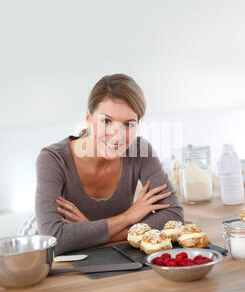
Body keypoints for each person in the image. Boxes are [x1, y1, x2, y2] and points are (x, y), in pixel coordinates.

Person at [33, 73, 184, 256]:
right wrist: (127, 217)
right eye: (106, 121)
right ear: (88, 116)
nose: (117, 135)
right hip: (47, 253)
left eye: (128, 124)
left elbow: (174, 216)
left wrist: (94, 231)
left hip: (105, 253)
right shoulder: (53, 159)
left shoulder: (140, 150)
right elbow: (54, 240)